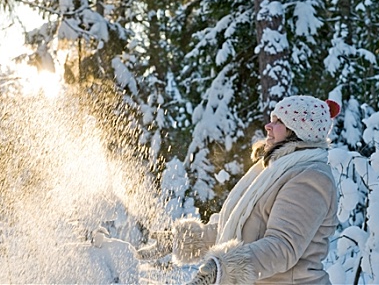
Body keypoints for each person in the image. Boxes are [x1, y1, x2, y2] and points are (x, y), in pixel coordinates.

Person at [135, 95, 341, 284]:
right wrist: (184, 241)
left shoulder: (310, 178)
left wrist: (224, 267)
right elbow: (242, 229)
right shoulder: (273, 169)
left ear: (298, 130)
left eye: (279, 122)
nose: (268, 126)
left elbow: (282, 247)